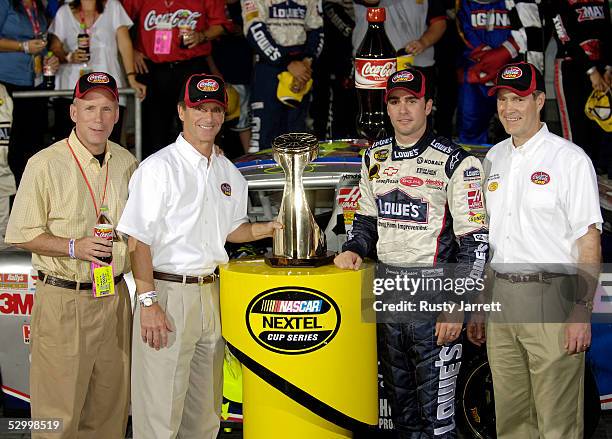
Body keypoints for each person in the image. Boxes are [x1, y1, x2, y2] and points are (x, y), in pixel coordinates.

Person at [117, 73, 281, 439]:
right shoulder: (158, 168)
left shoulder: (228, 172)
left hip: (212, 292)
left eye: (215, 109)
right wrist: (148, 302)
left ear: (223, 115)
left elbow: (231, 232)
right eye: (198, 108)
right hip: (167, 293)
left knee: (206, 414)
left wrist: (270, 228)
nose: (207, 116)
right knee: (160, 413)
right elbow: (137, 241)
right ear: (181, 111)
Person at [334, 68, 489, 438]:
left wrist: (456, 305)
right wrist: (355, 247)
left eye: (412, 101)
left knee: (438, 421)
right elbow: (366, 220)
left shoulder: (457, 162)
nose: (403, 110)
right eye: (395, 101)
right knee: (402, 415)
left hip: (434, 295)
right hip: (388, 291)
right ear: (386, 107)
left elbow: (475, 243)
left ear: (429, 105)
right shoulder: (375, 156)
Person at [468, 62, 602, 438]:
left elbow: (588, 241)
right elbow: (490, 242)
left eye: (519, 98)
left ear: (540, 101)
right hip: (502, 302)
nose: (509, 107)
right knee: (511, 422)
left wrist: (582, 310)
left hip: (553, 299)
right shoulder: (492, 158)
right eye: (503, 99)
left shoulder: (570, 160)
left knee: (557, 424)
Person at [4, 72, 137, 439]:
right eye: (90, 107)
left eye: (107, 108)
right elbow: (21, 233)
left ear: (116, 114)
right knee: (58, 417)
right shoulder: (45, 164)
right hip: (64, 297)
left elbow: (140, 234)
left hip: (112, 298)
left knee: (110, 412)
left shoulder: (127, 163)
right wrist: (73, 246)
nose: (99, 117)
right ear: (73, 112)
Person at [122, 0, 229, 157]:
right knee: (153, 131)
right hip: (152, 68)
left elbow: (221, 25)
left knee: (196, 125)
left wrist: (201, 36)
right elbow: (119, 24)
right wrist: (132, 51)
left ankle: (202, 172)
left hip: (190, 67)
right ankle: (156, 175)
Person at [49, 0, 146, 144]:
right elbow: (55, 48)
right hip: (70, 90)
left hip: (108, 90)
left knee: (109, 146)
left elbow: (125, 44)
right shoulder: (64, 12)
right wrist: (69, 56)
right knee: (68, 148)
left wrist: (131, 78)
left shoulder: (113, 7)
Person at [242, 0, 323, 152]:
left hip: (301, 68)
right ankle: (262, 174)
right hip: (269, 67)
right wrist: (287, 62)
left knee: (298, 135)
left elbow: (317, 28)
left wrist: (306, 62)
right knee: (264, 137)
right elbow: (254, 30)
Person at [0, 0, 59, 185]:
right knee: (12, 148)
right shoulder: (5, 3)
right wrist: (22, 46)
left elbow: (41, 44)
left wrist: (50, 59)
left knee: (33, 145)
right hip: (8, 82)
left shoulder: (38, 6)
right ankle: (11, 200)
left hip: (35, 83)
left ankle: (30, 194)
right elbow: (28, 44)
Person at [550, 0, 611, 172]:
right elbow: (565, 37)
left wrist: (607, 68)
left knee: (600, 122)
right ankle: (575, 172)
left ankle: (597, 172)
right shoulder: (559, 3)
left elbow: (608, 32)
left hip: (601, 68)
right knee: (575, 128)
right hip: (571, 67)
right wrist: (591, 71)